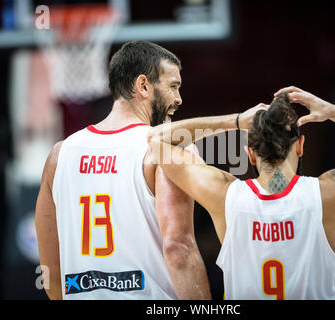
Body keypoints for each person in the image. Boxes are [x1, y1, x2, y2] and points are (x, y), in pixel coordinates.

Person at [147, 86, 335, 299]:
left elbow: (156, 139)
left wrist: (234, 121)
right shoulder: (331, 192)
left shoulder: (223, 196)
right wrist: (331, 111)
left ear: (251, 154)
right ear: (300, 146)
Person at [35, 40, 211, 300]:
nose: (178, 98)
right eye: (173, 87)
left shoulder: (59, 155)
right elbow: (179, 250)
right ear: (143, 86)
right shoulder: (165, 149)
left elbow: (49, 268)